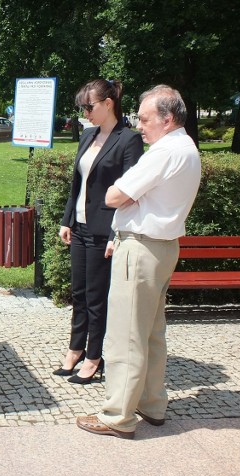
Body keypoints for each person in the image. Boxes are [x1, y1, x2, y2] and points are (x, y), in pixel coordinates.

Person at [76, 85, 201, 439]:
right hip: (164, 247)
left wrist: (127, 198)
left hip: (142, 248)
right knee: (151, 333)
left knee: (126, 334)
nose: (139, 125)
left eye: (145, 119)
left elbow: (115, 195)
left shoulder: (163, 152)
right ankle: (152, 403)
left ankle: (118, 415)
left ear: (167, 118)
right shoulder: (187, 148)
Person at [55, 79, 144, 384]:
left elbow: (131, 192)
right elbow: (77, 184)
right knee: (78, 294)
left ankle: (94, 357)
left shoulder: (128, 140)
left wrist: (113, 235)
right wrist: (67, 219)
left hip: (103, 231)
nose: (85, 112)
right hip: (79, 227)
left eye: (89, 106)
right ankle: (75, 349)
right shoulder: (88, 135)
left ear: (108, 104)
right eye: (82, 107)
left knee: (96, 298)